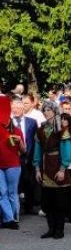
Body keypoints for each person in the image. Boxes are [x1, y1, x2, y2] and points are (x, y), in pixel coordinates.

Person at [33, 101, 71, 240]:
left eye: (49, 110)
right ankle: (51, 228)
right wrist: (37, 168)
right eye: (44, 110)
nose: (46, 112)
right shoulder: (41, 129)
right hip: (45, 166)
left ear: (55, 111)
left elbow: (67, 150)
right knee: (47, 202)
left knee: (59, 202)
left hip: (57, 165)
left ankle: (59, 230)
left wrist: (63, 169)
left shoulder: (61, 129)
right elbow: (38, 151)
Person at [0, 96, 25, 230]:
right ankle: (8, 219)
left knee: (11, 192)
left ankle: (13, 218)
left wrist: (19, 141)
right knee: (1, 193)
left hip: (13, 165)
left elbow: (24, 150)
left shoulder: (16, 131)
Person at [11, 97, 38, 217]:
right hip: (14, 156)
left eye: (18, 108)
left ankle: (29, 206)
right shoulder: (8, 122)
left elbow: (35, 139)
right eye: (13, 108)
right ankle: (17, 207)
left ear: (23, 109)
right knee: (16, 182)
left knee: (29, 182)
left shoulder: (31, 122)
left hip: (29, 155)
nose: (15, 110)